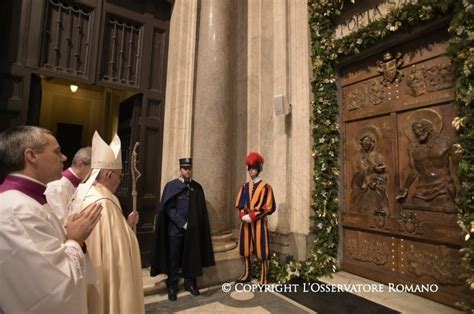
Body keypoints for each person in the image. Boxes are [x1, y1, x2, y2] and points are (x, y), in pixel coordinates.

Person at [0, 125, 102, 313]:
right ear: (31, 156)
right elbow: (53, 290)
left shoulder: (28, 200)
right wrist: (74, 240)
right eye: (57, 152)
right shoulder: (17, 210)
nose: (64, 158)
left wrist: (68, 233)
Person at [68, 131, 143, 314]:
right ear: (109, 175)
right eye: (119, 175)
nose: (120, 179)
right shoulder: (104, 202)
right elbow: (116, 254)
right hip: (102, 277)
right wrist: (129, 233)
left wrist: (125, 223)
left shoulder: (83, 192)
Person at [150, 158, 215, 301]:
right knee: (173, 258)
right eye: (185, 168)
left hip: (192, 231)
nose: (188, 171)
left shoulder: (197, 187)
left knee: (191, 257)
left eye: (189, 168)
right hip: (175, 230)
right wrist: (182, 223)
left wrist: (194, 225)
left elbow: (201, 211)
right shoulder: (171, 186)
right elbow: (168, 208)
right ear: (180, 169)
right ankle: (172, 286)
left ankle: (190, 283)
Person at [396, 118, 459, 213]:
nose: (417, 132)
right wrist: (405, 188)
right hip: (422, 190)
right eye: (415, 130)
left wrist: (461, 189)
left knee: (445, 213)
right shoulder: (413, 148)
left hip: (443, 187)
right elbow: (414, 171)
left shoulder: (446, 143)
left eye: (420, 128)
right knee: (417, 213)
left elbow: (456, 168)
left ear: (429, 128)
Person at [234, 152, 276, 285]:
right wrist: (243, 215)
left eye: (253, 168)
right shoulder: (244, 187)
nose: (250, 170)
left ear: (258, 169)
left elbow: (268, 207)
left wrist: (252, 216)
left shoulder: (266, 187)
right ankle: (246, 273)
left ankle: (264, 277)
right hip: (246, 222)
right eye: (249, 168)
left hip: (259, 222)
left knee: (262, 249)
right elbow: (240, 204)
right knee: (246, 248)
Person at [45, 146, 92, 221]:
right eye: (92, 170)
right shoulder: (57, 186)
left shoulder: (82, 186)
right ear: (80, 165)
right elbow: (61, 222)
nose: (94, 175)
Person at [350, 130, 389, 216]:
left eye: (369, 141)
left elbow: (383, 173)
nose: (367, 143)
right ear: (361, 143)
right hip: (361, 186)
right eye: (365, 141)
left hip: (375, 187)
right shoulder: (356, 157)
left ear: (372, 143)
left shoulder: (378, 156)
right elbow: (355, 174)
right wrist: (370, 170)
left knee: (374, 200)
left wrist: (375, 181)